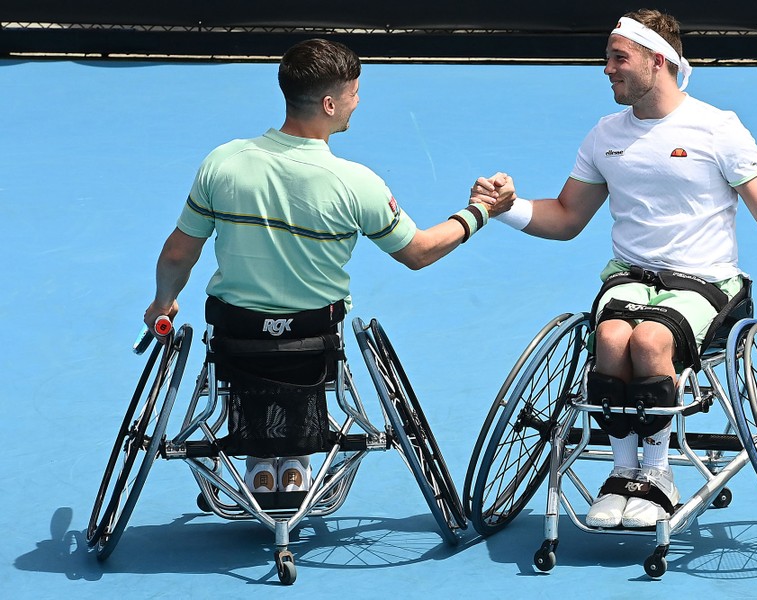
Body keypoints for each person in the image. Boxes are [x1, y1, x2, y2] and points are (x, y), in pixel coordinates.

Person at [472, 9, 757, 529]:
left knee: (648, 342)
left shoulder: (719, 129)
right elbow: (566, 216)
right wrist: (503, 208)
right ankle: (624, 475)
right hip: (629, 276)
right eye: (607, 58)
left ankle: (659, 474)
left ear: (658, 61)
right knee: (611, 339)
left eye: (618, 58)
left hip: (707, 284)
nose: (607, 69)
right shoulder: (604, 134)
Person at [143, 38, 514, 495]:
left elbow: (179, 253)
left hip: (235, 338)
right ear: (329, 102)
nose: (359, 101)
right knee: (300, 350)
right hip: (315, 341)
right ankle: (295, 461)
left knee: (252, 348)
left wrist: (163, 302)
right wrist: (480, 212)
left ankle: (261, 461)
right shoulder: (357, 183)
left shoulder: (222, 163)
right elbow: (417, 252)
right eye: (355, 92)